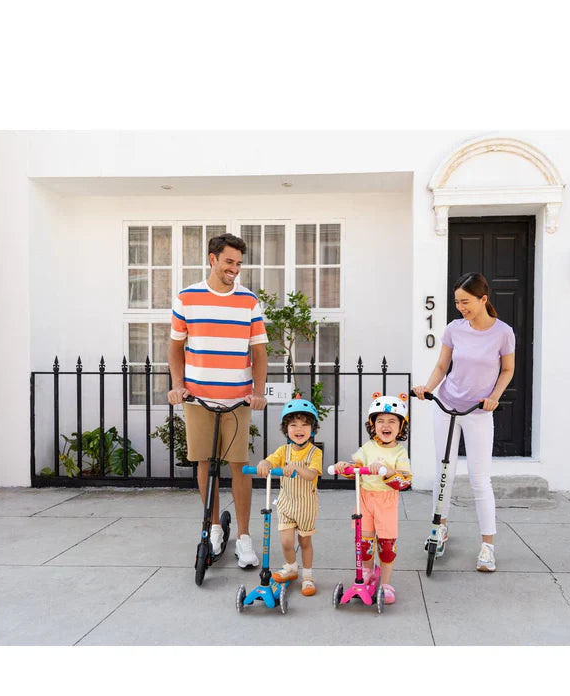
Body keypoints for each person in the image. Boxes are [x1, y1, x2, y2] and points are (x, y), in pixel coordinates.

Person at [167, 232, 268, 568]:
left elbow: (259, 353)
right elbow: (175, 348)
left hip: (237, 401)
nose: (234, 269)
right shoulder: (187, 298)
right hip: (198, 398)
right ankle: (213, 528)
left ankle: (243, 538)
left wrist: (257, 391)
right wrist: (177, 386)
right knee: (204, 463)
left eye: (238, 263)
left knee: (240, 466)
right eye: (229, 262)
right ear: (212, 259)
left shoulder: (249, 301)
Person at [412, 272, 515, 572]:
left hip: (478, 412)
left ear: (484, 299)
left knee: (479, 479)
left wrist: (495, 395)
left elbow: (507, 370)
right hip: (446, 405)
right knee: (444, 471)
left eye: (466, 302)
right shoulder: (455, 329)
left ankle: (487, 547)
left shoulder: (503, 333)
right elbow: (443, 365)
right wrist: (428, 388)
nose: (461, 307)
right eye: (457, 302)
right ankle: (439, 529)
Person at [334, 393, 412, 604]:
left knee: (386, 546)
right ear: (372, 425)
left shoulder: (399, 452)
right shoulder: (368, 448)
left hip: (386, 502)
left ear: (401, 426)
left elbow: (405, 480)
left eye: (392, 421)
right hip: (365, 499)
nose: (385, 426)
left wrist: (386, 472)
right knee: (364, 542)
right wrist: (345, 467)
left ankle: (386, 583)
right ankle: (367, 573)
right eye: (380, 421)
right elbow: (355, 467)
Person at [256, 397, 323, 596]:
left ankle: (308, 576)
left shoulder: (314, 452)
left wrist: (295, 468)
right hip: (286, 503)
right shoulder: (283, 451)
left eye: (304, 424)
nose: (299, 429)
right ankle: (292, 567)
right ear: (286, 429)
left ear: (313, 428)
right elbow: (269, 461)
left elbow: (312, 474)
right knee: (286, 542)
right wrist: (264, 464)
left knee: (304, 542)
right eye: (293, 425)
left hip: (306, 505)